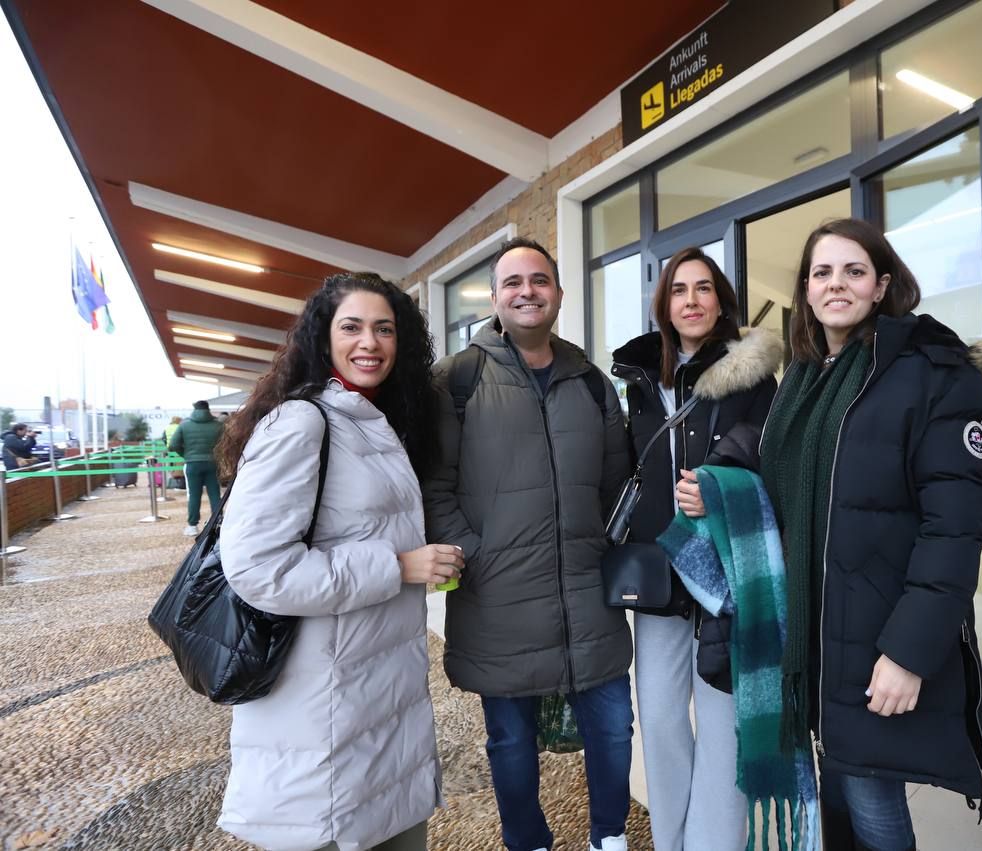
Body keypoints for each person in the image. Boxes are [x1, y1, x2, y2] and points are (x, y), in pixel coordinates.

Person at [755, 218, 982, 851]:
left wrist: (908, 653)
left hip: (877, 633)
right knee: (836, 794)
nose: (836, 284)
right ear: (806, 289)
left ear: (882, 285)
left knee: (871, 797)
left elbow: (954, 530)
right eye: (822, 272)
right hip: (814, 629)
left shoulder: (928, 373)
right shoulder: (802, 379)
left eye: (854, 271)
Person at [214, 272, 456, 851]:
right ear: (324, 338)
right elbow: (257, 569)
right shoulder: (302, 421)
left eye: (384, 329)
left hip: (374, 699)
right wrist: (397, 567)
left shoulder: (373, 422)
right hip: (320, 708)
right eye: (352, 327)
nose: (369, 342)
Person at [425, 237, 633, 851]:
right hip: (498, 593)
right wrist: (475, 554)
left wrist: (600, 546)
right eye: (512, 282)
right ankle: (527, 840)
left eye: (539, 280)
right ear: (494, 298)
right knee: (510, 740)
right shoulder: (459, 379)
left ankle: (609, 836)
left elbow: (619, 483)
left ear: (559, 294)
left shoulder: (590, 381)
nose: (526, 292)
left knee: (614, 726)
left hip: (586, 591)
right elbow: (435, 486)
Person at [611, 247, 780, 851]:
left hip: (723, 573)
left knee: (721, 725)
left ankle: (713, 843)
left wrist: (721, 481)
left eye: (703, 289)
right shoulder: (635, 377)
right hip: (658, 571)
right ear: (664, 304)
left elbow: (767, 445)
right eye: (679, 290)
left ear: (721, 300)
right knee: (658, 722)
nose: (691, 300)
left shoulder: (755, 371)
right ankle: (671, 839)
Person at [168, 401, 224, 535]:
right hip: (213, 463)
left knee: (194, 494)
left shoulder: (184, 425)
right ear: (208, 409)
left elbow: (172, 445)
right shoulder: (218, 425)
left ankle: (192, 526)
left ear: (194, 409)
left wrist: (186, 454)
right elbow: (226, 443)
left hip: (192, 464)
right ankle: (218, 522)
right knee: (215, 494)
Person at [163, 416, 185, 489]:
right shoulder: (180, 427)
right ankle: (181, 483)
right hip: (179, 448)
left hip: (170, 448)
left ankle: (173, 482)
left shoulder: (167, 428)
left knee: (172, 465)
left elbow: (164, 439)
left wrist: (167, 445)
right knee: (180, 466)